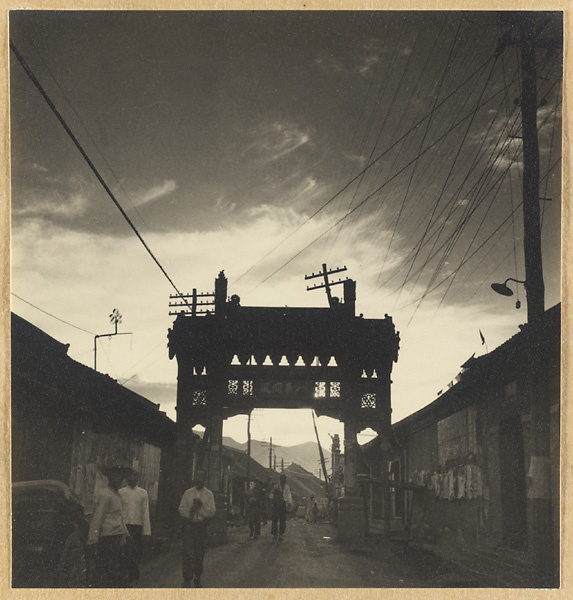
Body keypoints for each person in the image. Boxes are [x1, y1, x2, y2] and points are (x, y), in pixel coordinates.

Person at [87, 464, 132, 587]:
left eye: (121, 476)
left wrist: (126, 535)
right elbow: (97, 518)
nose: (118, 479)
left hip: (117, 537)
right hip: (107, 539)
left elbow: (119, 518)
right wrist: (92, 540)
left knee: (116, 573)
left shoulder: (116, 495)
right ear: (110, 477)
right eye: (115, 475)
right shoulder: (105, 495)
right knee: (105, 572)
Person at [178, 469, 216, 588]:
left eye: (202, 476)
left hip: (201, 526)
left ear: (205, 478)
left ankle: (197, 577)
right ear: (195, 478)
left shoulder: (209, 494)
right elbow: (181, 509)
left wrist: (201, 507)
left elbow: (212, 511)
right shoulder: (188, 493)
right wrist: (191, 510)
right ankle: (187, 578)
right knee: (188, 553)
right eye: (197, 476)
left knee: (199, 553)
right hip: (189, 526)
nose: (199, 479)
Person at [119, 470, 151, 585]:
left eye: (134, 476)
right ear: (126, 478)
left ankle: (133, 573)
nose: (132, 478)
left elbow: (145, 512)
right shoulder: (121, 492)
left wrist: (146, 531)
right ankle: (126, 575)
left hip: (137, 526)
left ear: (138, 478)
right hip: (124, 526)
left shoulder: (143, 493)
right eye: (129, 476)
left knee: (135, 551)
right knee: (125, 551)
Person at [269, 474, 292, 541]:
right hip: (276, 505)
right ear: (280, 479)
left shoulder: (287, 487)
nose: (283, 481)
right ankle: (275, 534)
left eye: (284, 479)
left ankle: (281, 534)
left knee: (282, 520)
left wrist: (289, 503)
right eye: (282, 479)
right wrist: (272, 499)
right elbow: (271, 494)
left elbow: (289, 495)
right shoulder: (276, 487)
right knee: (274, 520)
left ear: (285, 480)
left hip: (283, 505)